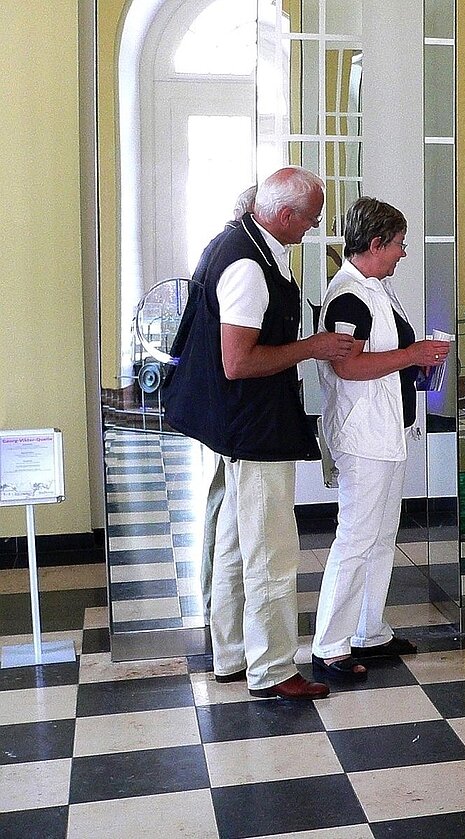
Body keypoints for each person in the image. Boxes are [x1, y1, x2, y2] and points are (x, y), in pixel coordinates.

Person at [165, 167, 354, 699]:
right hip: (250, 424)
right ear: (284, 214)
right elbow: (238, 361)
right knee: (272, 550)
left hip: (232, 424)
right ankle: (273, 669)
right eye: (312, 217)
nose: (315, 226)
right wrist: (313, 347)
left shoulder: (238, 242)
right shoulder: (248, 263)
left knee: (231, 544)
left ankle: (229, 655)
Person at [311, 197, 450, 681]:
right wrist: (413, 354)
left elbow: (388, 356)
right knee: (355, 536)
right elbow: (347, 366)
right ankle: (330, 643)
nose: (402, 253)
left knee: (381, 535)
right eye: (398, 244)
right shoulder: (349, 295)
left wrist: (417, 360)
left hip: (387, 431)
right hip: (362, 435)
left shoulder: (377, 288)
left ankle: (370, 629)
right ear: (375, 244)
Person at [200, 184, 259, 615]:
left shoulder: (218, 247)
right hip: (234, 407)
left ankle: (214, 601)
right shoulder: (241, 256)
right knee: (231, 519)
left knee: (224, 507)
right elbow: (237, 359)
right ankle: (219, 606)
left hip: (221, 404)